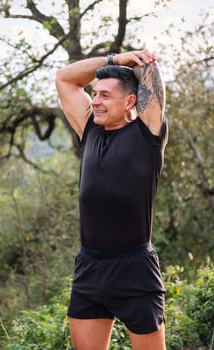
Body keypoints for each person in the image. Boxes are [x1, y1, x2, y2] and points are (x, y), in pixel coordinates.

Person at [55, 49, 168, 350]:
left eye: (105, 95)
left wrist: (143, 60)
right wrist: (114, 61)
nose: (95, 101)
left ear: (130, 101)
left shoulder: (148, 134)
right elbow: (65, 79)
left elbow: (150, 74)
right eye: (94, 94)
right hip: (90, 267)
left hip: (135, 269)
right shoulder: (90, 129)